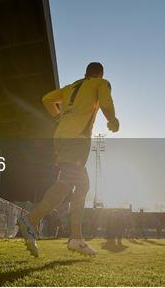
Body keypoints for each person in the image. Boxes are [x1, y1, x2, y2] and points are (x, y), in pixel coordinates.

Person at [17, 62, 119, 257]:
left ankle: (62, 232)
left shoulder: (70, 87)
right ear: (100, 74)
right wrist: (112, 120)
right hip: (77, 138)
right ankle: (64, 233)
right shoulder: (100, 83)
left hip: (61, 136)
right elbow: (106, 103)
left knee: (65, 185)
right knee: (83, 185)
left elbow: (47, 99)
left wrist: (58, 116)